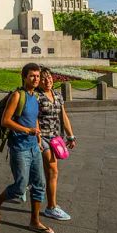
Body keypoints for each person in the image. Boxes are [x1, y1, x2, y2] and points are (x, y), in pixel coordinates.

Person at [0, 63, 54, 233]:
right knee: (19, 187)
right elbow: (5, 121)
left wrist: (37, 135)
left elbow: (34, 118)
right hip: (19, 148)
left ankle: (35, 221)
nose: (36, 79)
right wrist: (27, 130)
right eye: (32, 76)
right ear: (24, 77)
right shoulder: (18, 96)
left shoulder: (34, 97)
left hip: (34, 146)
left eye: (38, 76)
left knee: (39, 184)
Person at [36, 68, 77, 221]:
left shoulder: (58, 95)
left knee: (48, 171)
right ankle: (51, 207)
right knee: (53, 170)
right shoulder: (36, 97)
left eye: (49, 78)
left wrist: (71, 135)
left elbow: (63, 116)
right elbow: (33, 118)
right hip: (42, 138)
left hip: (55, 138)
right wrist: (38, 138)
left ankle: (28, 181)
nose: (48, 81)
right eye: (43, 79)